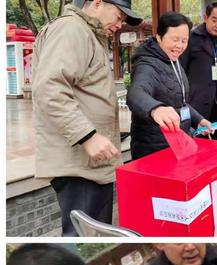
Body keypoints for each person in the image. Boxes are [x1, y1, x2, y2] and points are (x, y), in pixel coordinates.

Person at [32, 0, 142, 236]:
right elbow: (49, 89)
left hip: (91, 163)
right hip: (78, 165)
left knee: (96, 232)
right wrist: (88, 136)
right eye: (119, 16)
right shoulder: (71, 29)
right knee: (83, 236)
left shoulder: (89, 34)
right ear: (97, 3)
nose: (120, 24)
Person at [127, 12, 213, 160]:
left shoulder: (172, 59)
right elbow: (136, 93)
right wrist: (155, 108)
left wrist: (198, 119)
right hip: (154, 150)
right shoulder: (147, 63)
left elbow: (179, 102)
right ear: (159, 37)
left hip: (177, 144)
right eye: (175, 39)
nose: (180, 46)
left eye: (184, 41)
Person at [181, 2, 217, 140]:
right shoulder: (191, 38)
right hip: (197, 106)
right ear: (205, 18)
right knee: (198, 149)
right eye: (214, 20)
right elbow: (180, 72)